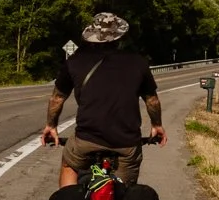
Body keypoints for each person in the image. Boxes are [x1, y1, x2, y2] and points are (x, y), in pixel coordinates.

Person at [42, 12, 164, 187]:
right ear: (120, 37)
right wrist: (157, 126)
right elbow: (152, 100)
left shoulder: (75, 62)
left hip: (86, 140)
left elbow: (57, 99)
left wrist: (51, 126)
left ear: (92, 37)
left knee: (69, 164)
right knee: (124, 192)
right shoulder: (138, 62)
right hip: (126, 144)